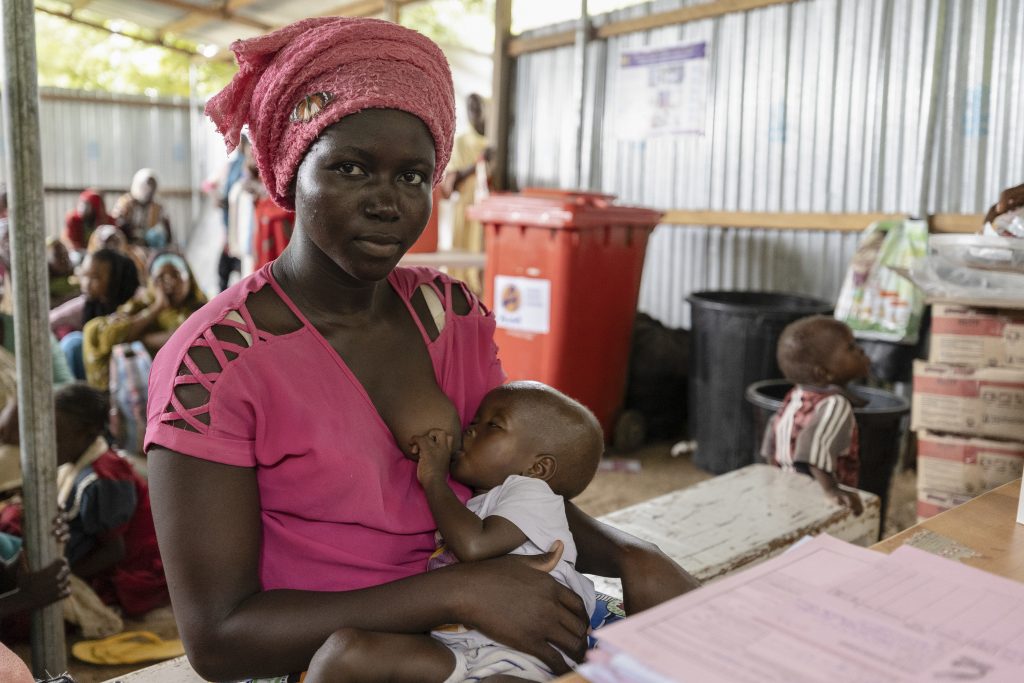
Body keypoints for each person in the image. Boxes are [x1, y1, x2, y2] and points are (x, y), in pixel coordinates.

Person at [145, 17, 697, 682]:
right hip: (318, 661)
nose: (387, 202)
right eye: (349, 167)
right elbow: (219, 638)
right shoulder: (213, 367)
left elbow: (509, 478)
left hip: (470, 636)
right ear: (292, 169)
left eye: (412, 176)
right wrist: (456, 590)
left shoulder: (448, 313)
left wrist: (630, 555)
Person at [306, 381, 603, 682]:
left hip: (520, 654)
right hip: (454, 648)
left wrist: (434, 479)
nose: (471, 430)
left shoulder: (533, 494)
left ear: (538, 468)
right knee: (346, 648)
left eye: (493, 425)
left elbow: (475, 546)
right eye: (474, 422)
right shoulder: (476, 504)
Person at [52, 382, 167, 617]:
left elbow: (114, 551)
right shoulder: (75, 459)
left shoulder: (104, 479)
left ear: (89, 433)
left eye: (57, 436)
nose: (48, 444)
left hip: (132, 569)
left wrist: (69, 576)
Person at [761, 315, 869, 514]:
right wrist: (831, 490)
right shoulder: (835, 404)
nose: (861, 351)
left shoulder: (795, 395)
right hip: (816, 495)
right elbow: (814, 450)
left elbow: (772, 433)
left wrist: (774, 475)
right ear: (824, 373)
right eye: (851, 348)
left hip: (786, 488)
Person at [82, 252, 204, 390]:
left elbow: (187, 337)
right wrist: (156, 308)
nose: (170, 282)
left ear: (189, 278)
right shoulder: (141, 305)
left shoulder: (203, 309)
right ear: (152, 283)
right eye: (160, 277)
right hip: (139, 385)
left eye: (176, 274)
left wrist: (141, 339)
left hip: (184, 384)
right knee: (92, 329)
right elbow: (108, 335)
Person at [50, 249, 142, 379]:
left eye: (95, 277)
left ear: (116, 279)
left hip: (131, 373)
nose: (86, 283)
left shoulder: (138, 302)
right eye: (85, 275)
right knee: (73, 342)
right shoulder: (87, 304)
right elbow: (50, 320)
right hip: (96, 375)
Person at [441, 93, 491, 294]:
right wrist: (477, 163)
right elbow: (450, 183)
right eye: (470, 109)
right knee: (463, 250)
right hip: (465, 205)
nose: (474, 113)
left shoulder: (492, 141)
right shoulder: (462, 142)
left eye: (477, 108)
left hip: (486, 206)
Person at [111, 169, 172, 248]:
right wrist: (133, 232)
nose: (149, 191)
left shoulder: (157, 207)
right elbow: (116, 222)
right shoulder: (125, 203)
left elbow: (166, 224)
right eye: (147, 187)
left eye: (152, 187)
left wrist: (167, 242)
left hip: (149, 246)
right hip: (127, 244)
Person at [46, 238, 78, 308]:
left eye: (66, 255)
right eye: (58, 256)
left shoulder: (74, 280)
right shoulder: (45, 286)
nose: (64, 260)